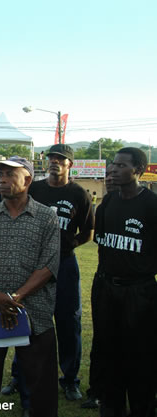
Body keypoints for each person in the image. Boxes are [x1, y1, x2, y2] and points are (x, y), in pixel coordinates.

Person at [0, 144, 94, 403]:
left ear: (69, 165)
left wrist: (66, 246)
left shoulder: (79, 194)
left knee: (67, 322)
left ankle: (70, 380)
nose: (54, 162)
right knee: (25, 319)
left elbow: (88, 232)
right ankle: (19, 377)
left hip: (64, 265)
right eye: (51, 157)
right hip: (31, 265)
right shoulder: (36, 189)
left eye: (60, 159)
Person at [0, 156, 60, 417]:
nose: (2, 180)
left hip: (35, 312)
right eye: (1, 175)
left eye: (10, 174)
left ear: (28, 180)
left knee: (40, 381)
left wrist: (15, 298)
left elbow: (49, 265)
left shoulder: (46, 218)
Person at [92, 147, 156, 417]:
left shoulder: (152, 205)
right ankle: (111, 405)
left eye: (121, 166)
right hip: (106, 287)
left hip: (139, 291)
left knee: (140, 354)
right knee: (108, 349)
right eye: (113, 165)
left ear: (138, 171)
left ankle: (142, 407)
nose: (114, 170)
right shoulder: (108, 202)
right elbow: (101, 241)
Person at [81, 163, 118, 410]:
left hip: (136, 287)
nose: (111, 178)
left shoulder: (147, 204)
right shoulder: (104, 207)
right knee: (102, 340)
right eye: (108, 174)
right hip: (104, 282)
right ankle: (97, 390)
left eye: (117, 172)